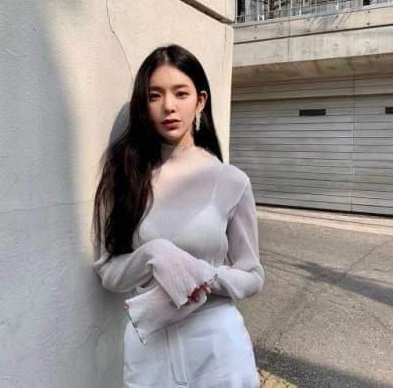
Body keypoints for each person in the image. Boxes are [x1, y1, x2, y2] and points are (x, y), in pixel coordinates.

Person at [91, 44, 265, 387]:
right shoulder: (125, 177)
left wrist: (203, 277)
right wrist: (154, 255)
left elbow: (252, 274)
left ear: (200, 101)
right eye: (155, 95)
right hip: (150, 347)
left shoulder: (231, 181)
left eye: (180, 93)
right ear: (144, 105)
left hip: (217, 343)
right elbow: (108, 272)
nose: (168, 106)